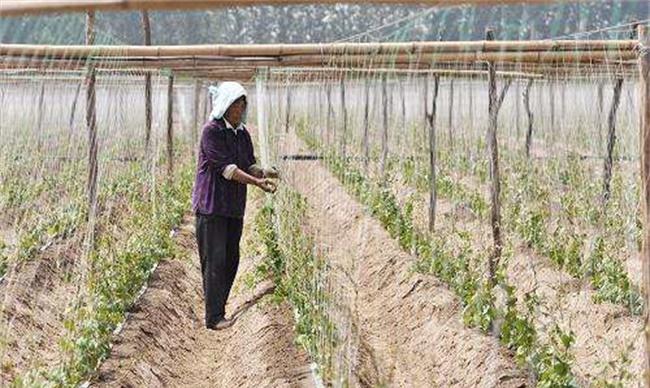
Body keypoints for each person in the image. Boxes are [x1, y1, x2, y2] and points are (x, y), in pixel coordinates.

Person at [191, 81, 278, 330]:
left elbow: (247, 163)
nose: (241, 109)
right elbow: (228, 170)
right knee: (215, 260)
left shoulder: (242, 133)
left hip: (233, 207)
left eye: (243, 104)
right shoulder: (212, 131)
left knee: (231, 259)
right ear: (226, 105)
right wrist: (257, 183)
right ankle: (214, 317)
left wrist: (264, 171)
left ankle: (220, 307)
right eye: (237, 104)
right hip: (212, 207)